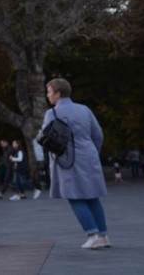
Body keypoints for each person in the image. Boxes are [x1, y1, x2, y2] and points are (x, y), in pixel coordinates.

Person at [42, 78, 111, 250]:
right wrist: (93, 151)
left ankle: (92, 235)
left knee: (74, 196)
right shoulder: (84, 109)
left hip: (67, 159)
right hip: (88, 155)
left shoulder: (52, 113)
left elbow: (44, 138)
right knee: (92, 196)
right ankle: (103, 235)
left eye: (49, 92)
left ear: (58, 93)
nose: (47, 95)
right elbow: (98, 134)